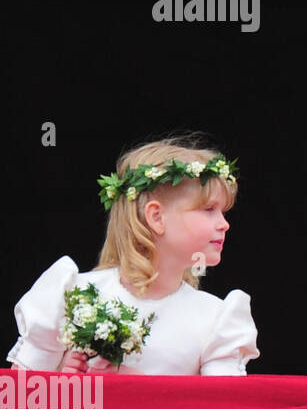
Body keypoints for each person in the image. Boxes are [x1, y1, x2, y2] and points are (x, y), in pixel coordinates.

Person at [9, 138, 258, 375]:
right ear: (156, 217)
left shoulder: (215, 318)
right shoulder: (70, 294)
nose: (224, 224)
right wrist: (63, 377)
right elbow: (21, 399)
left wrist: (132, 386)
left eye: (223, 212)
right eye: (208, 209)